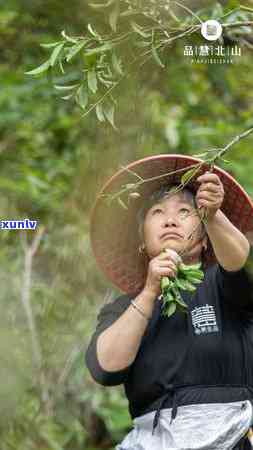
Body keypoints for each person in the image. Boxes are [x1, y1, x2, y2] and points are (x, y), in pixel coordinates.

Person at [85, 154, 253, 450]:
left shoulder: (223, 285)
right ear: (142, 241)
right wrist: (150, 292)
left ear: (204, 240)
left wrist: (212, 214)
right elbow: (105, 367)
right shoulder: (124, 308)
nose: (171, 220)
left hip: (231, 437)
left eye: (186, 212)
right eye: (157, 212)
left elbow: (240, 261)